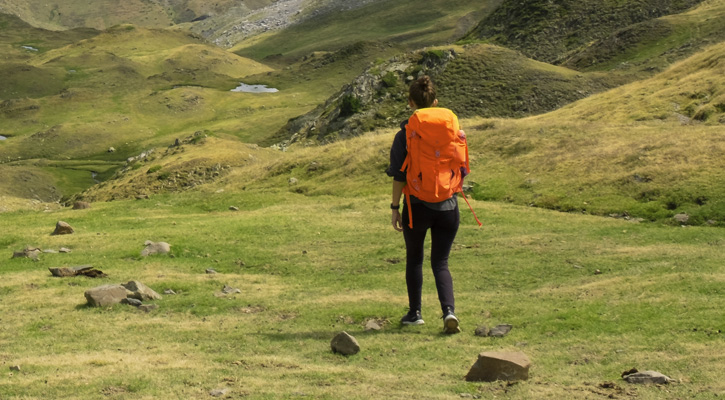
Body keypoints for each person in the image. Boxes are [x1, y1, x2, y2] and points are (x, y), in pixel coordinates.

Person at [386, 76, 461, 334]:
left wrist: (395, 208)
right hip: (449, 205)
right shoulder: (452, 131)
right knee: (440, 262)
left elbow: (398, 175)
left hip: (416, 205)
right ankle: (449, 311)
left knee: (415, 259)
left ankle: (415, 313)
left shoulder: (404, 135)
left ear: (410, 103)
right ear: (436, 102)